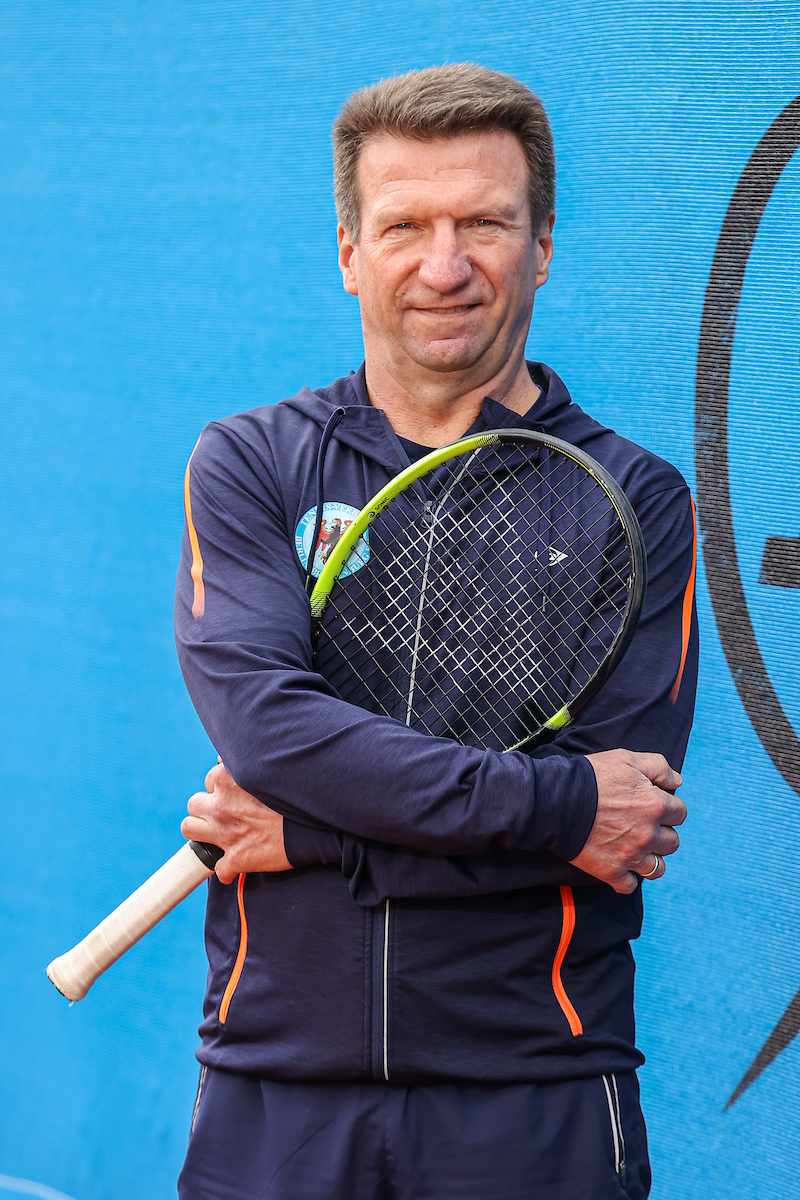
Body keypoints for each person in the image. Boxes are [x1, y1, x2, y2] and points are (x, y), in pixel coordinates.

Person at [175, 64, 697, 1200]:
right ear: (350, 252)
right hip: (278, 1080)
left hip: (534, 1084)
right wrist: (548, 810)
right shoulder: (251, 463)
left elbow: (622, 811)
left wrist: (314, 838)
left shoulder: (635, 497)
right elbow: (273, 733)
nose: (445, 266)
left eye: (485, 223)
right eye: (404, 225)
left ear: (543, 243)